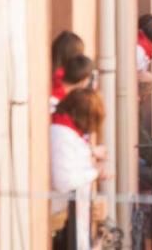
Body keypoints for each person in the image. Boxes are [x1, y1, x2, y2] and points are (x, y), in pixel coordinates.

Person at [50, 89, 106, 250]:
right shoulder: (61, 134)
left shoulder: (68, 132)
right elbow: (64, 181)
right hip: (63, 220)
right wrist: (95, 173)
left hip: (75, 218)